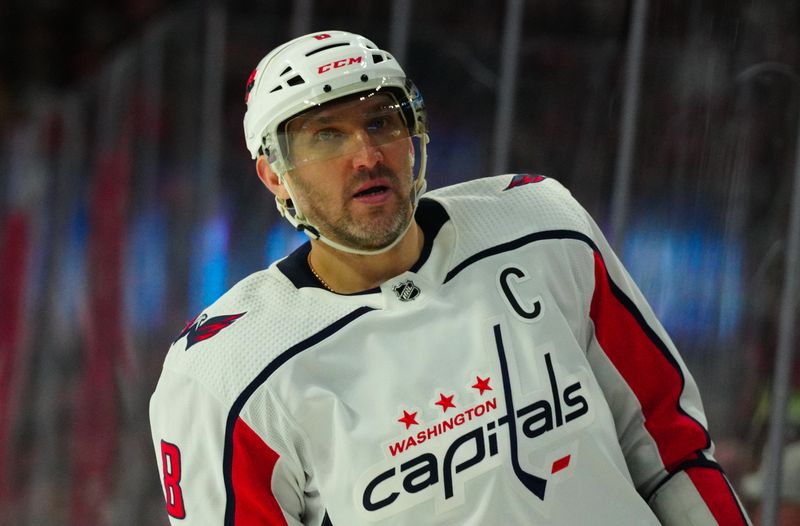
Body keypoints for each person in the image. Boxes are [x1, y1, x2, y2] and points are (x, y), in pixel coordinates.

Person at [149, 30, 751, 525]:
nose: (366, 155)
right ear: (274, 176)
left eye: (382, 122)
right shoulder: (224, 373)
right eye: (326, 136)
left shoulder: (542, 225)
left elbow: (671, 451)